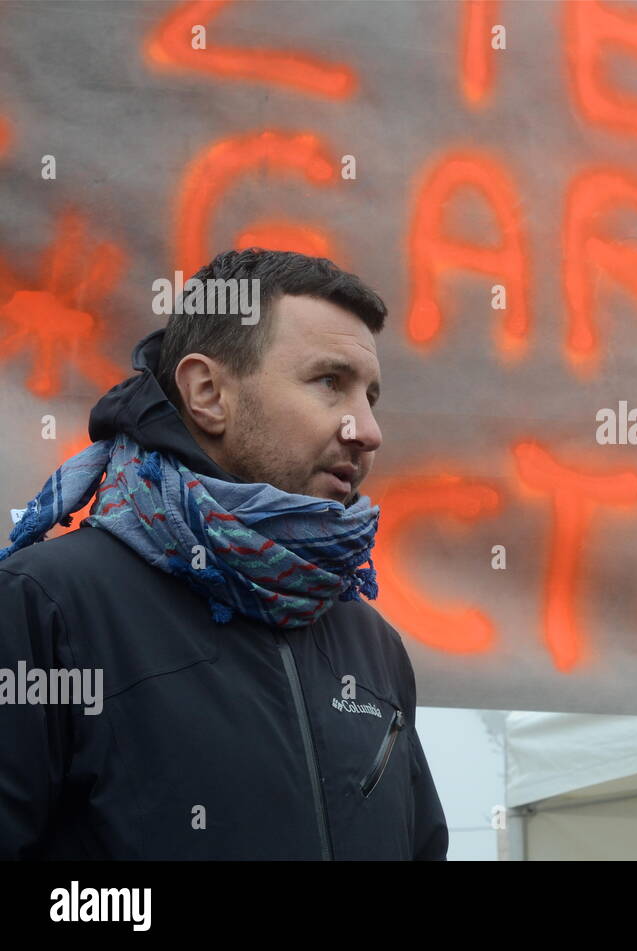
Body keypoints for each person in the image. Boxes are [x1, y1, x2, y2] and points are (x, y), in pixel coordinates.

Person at [0, 248, 449, 859]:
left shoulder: (373, 646)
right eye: (330, 383)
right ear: (208, 392)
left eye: (371, 396)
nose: (367, 430)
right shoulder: (45, 606)